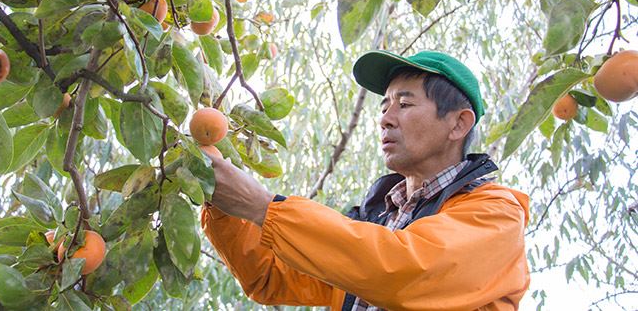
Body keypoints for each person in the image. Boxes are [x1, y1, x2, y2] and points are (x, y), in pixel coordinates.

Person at [201, 50, 530, 310]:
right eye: (384, 106)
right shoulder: (377, 221)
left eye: (404, 103)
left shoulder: (496, 214)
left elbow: (404, 270)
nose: (385, 119)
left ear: (458, 124)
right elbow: (269, 276)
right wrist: (222, 200)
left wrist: (264, 207)